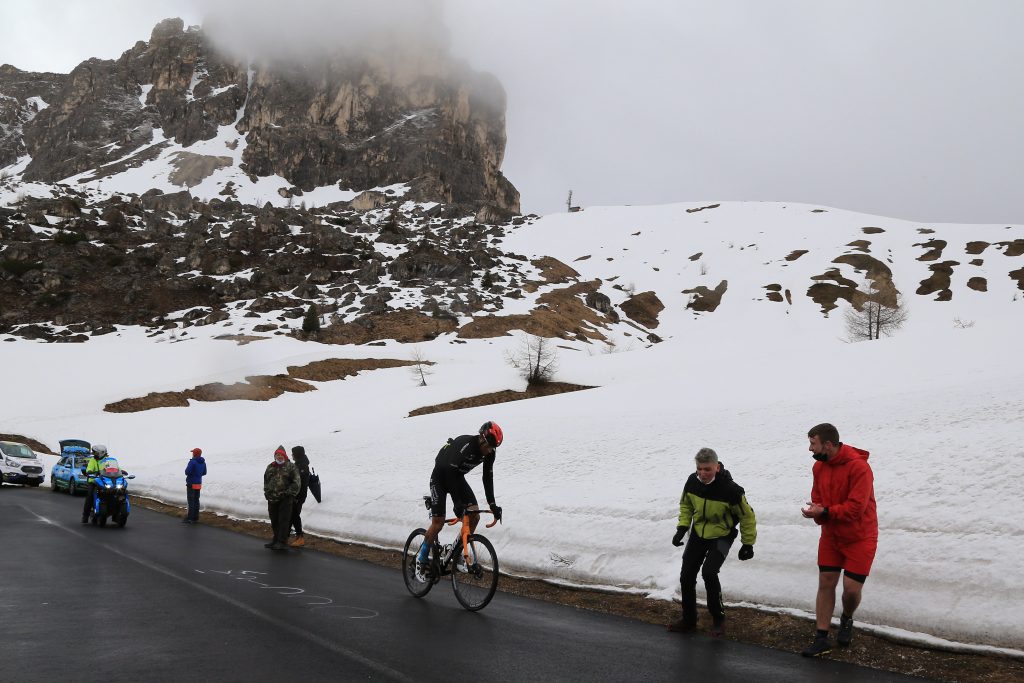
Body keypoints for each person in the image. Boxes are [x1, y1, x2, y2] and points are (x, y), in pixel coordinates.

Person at [800, 423, 877, 657]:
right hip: (832, 536)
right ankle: (821, 637)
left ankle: (846, 618)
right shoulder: (818, 467)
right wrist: (817, 510)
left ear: (828, 445)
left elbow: (856, 508)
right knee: (826, 582)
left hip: (860, 537)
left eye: (813, 443)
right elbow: (818, 497)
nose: (809, 449)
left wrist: (824, 512)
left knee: (851, 591)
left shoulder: (859, 468)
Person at [668, 447, 757, 637]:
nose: (702, 473)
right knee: (686, 576)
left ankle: (718, 619)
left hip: (723, 536)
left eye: (707, 469)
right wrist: (682, 528)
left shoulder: (731, 490)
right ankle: (689, 620)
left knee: (709, 572)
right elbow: (686, 505)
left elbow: (747, 516)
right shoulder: (692, 482)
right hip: (698, 533)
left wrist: (748, 543)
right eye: (699, 469)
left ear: (717, 467)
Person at [416, 421, 504, 581]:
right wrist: (457, 503)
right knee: (438, 522)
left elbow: (487, 477)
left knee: (474, 516)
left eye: (494, 447)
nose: (490, 450)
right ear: (482, 439)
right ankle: (420, 559)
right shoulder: (467, 445)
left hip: (456, 478)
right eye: (489, 446)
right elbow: (449, 472)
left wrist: (492, 504)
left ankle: (456, 554)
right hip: (441, 477)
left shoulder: (490, 452)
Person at [263, 445, 300, 551]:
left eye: (281, 455)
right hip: (272, 499)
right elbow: (266, 481)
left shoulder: (291, 466)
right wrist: (267, 493)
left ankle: (282, 542)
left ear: (285, 456)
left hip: (286, 499)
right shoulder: (270, 467)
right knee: (274, 520)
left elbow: (296, 483)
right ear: (275, 456)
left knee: (283, 520)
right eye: (277, 455)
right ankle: (276, 539)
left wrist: (288, 493)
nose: (279, 457)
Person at [288, 445, 310, 547]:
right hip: (297, 495)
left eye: (293, 453)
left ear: (297, 454)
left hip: (299, 496)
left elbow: (301, 484)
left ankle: (300, 537)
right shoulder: (299, 464)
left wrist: (297, 497)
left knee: (295, 515)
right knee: (293, 515)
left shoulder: (302, 466)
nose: (292, 455)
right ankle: (292, 536)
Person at [81, 444, 107, 523]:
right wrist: (90, 472)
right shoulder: (93, 460)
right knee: (90, 496)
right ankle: (85, 515)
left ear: (101, 453)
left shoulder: (107, 460)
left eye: (95, 452)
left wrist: (120, 470)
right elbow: (89, 469)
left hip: (105, 481)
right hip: (94, 481)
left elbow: (113, 468)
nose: (93, 453)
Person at [183, 447, 207, 524]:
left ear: (194, 454)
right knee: (196, 500)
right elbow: (204, 472)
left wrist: (192, 474)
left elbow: (187, 472)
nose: (192, 453)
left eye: (193, 452)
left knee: (191, 500)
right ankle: (195, 517)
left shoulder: (192, 462)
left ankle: (190, 518)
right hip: (198, 483)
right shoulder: (203, 462)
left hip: (191, 483)